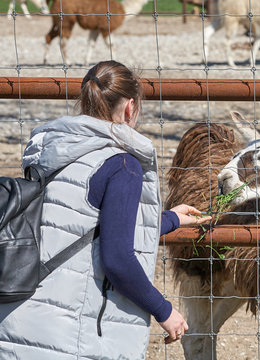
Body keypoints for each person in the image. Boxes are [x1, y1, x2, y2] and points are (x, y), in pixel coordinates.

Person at [0, 60, 211, 359]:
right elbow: (117, 259)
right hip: (65, 331)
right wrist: (165, 311)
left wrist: (170, 219)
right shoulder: (123, 164)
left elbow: (82, 219)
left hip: (18, 314)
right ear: (130, 107)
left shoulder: (53, 150)